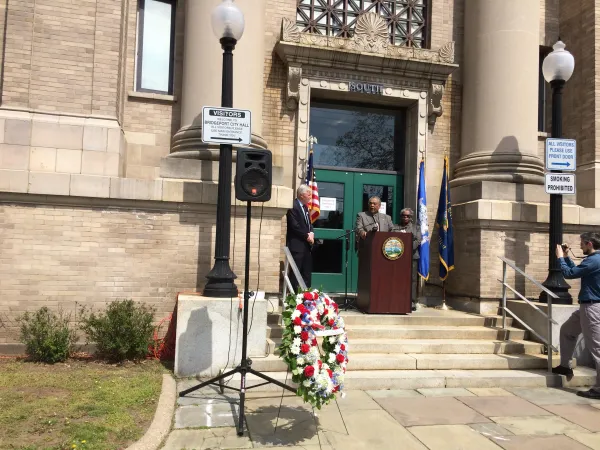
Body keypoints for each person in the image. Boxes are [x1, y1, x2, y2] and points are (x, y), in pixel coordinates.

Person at [552, 232, 600, 399]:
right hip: (587, 306)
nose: (580, 246)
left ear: (589, 244)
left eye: (582, 243)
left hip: (592, 307)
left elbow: (569, 274)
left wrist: (559, 258)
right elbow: (578, 270)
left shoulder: (595, 260)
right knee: (567, 330)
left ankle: (599, 389)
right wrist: (566, 257)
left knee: (597, 348)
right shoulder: (594, 261)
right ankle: (565, 365)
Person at [286, 185, 314, 292]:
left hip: (306, 246)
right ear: (301, 195)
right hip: (297, 246)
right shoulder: (293, 206)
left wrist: (311, 232)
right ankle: (294, 297)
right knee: (296, 273)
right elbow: (294, 225)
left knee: (306, 272)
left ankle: (307, 295)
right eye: (308, 194)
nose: (310, 197)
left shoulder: (305, 207)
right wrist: (306, 235)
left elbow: (309, 223)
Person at [396, 208, 422, 311]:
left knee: (412, 280)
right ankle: (397, 299)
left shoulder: (416, 228)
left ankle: (411, 301)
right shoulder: (395, 227)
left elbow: (418, 240)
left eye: (408, 216)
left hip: (412, 256)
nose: (405, 217)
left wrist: (406, 248)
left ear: (411, 218)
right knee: (397, 278)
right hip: (397, 258)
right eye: (403, 215)